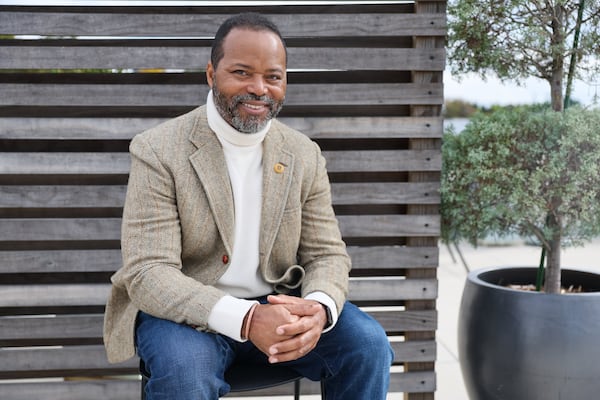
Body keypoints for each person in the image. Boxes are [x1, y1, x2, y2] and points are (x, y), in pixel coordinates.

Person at [103, 12, 393, 399]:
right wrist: (247, 317)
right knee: (185, 374)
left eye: (273, 76)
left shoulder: (303, 154)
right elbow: (148, 272)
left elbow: (326, 254)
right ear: (211, 74)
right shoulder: (158, 149)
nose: (259, 88)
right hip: (187, 314)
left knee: (368, 345)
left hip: (278, 306)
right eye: (242, 72)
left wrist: (319, 309)